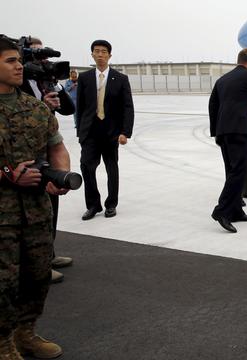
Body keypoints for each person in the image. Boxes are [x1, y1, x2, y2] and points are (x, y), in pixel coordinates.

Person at [0, 36, 71, 359]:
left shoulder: (34, 106)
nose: (19, 66)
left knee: (37, 274)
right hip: (2, 213)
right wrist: (6, 173)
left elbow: (56, 146)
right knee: (4, 283)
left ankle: (25, 333)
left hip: (36, 209)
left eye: (19, 60)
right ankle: (3, 343)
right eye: (10, 61)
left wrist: (60, 176)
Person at [18, 37, 75, 284]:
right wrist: (42, 105)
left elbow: (69, 109)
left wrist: (57, 87)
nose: (43, 59)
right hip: (25, 155)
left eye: (45, 55)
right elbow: (18, 116)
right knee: (31, 211)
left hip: (48, 149)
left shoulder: (46, 81)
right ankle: (34, 263)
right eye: (36, 55)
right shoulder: (17, 83)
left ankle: (48, 253)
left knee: (51, 204)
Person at [209, 48, 247, 233]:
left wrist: (216, 132)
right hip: (240, 130)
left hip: (224, 132)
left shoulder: (222, 80)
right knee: (240, 171)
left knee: (232, 171)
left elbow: (213, 105)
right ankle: (222, 211)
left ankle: (236, 210)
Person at [76, 40, 134, 220]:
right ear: (92, 54)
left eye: (103, 51)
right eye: (96, 51)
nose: (100, 54)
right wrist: (80, 131)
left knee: (111, 169)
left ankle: (111, 204)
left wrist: (125, 132)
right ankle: (93, 205)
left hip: (112, 133)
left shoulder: (121, 79)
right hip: (90, 132)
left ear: (109, 55)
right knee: (86, 167)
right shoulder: (84, 78)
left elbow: (127, 107)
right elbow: (81, 106)